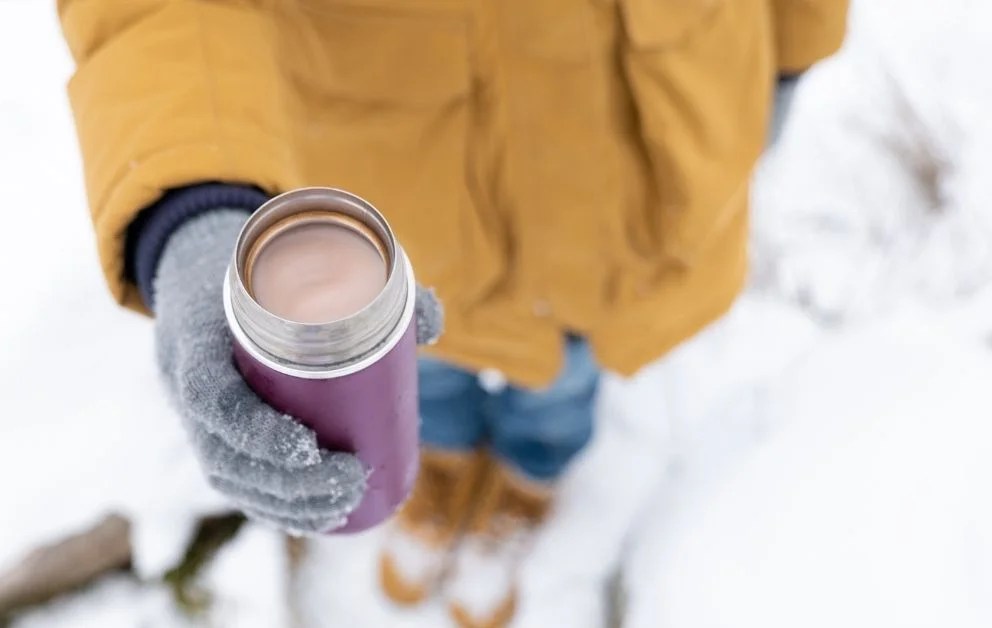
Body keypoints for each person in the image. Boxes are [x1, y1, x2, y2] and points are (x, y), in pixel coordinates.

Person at [58, 2, 848, 625]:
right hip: (401, 180)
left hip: (637, 155)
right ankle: (437, 473)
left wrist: (789, 54)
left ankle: (526, 482)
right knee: (423, 367)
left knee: (564, 378)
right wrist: (196, 201)